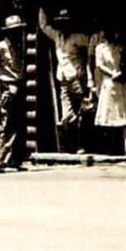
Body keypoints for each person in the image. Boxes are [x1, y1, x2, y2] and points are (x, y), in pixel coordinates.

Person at [0, 14, 29, 171]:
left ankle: (16, 160)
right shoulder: (0, 47)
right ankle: (2, 160)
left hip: (19, 86)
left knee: (20, 124)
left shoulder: (20, 46)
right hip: (7, 86)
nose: (16, 33)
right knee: (8, 123)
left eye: (18, 30)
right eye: (13, 31)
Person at [51, 15, 91, 153]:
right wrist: (41, 8)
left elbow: (92, 46)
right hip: (63, 80)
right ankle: (71, 144)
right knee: (67, 116)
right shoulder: (57, 36)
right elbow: (44, 27)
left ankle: (80, 144)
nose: (61, 27)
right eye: (59, 24)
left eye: (64, 24)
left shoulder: (77, 37)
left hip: (77, 79)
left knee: (81, 112)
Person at [93, 28, 126, 156]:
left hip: (121, 83)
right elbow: (99, 64)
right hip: (109, 83)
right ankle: (110, 147)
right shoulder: (100, 48)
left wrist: (122, 72)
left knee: (124, 115)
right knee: (109, 114)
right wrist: (112, 73)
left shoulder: (121, 48)